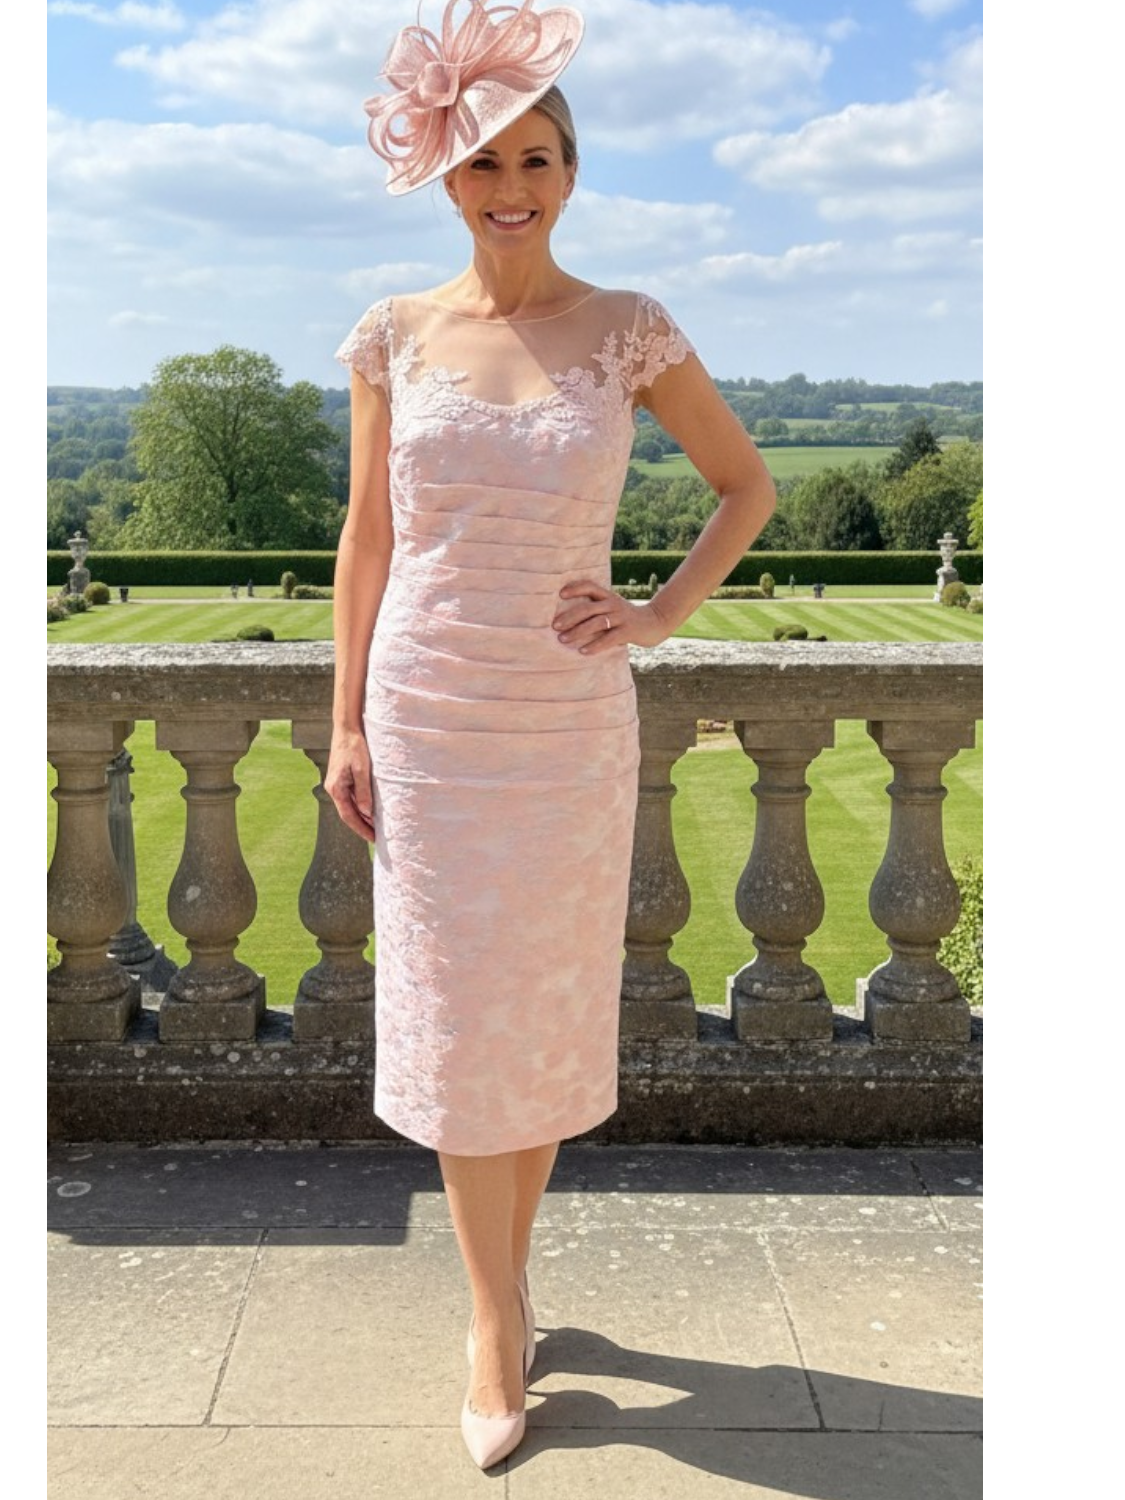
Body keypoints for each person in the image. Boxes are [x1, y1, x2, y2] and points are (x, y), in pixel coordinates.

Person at [327, 0, 776, 1471]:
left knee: (530, 1018)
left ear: (568, 171)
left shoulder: (630, 325)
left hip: (567, 724)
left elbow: (744, 489)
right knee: (459, 1028)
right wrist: (345, 722)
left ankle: (508, 1284)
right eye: (480, 163)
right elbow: (368, 539)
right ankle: (490, 1314)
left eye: (534, 158)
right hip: (432, 718)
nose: (509, 186)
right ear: (445, 181)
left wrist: (653, 617)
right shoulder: (392, 335)